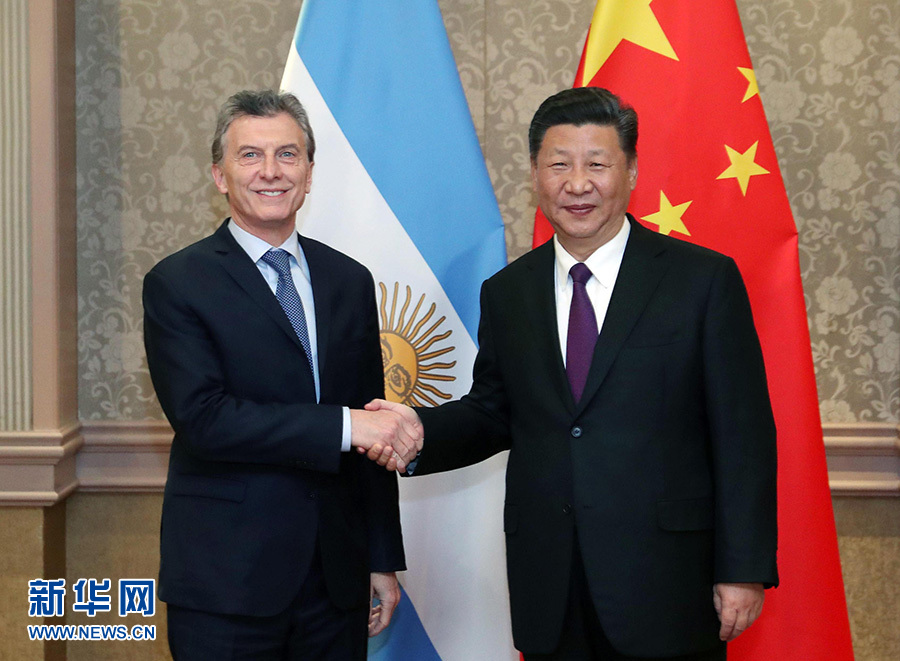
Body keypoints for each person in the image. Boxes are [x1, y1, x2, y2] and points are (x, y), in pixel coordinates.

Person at [367, 87, 778, 660]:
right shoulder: (509, 292)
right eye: (559, 164)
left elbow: (743, 435)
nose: (577, 184)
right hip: (550, 583)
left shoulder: (702, 281)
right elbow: (494, 412)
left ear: (631, 171)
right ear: (536, 174)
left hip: (667, 582)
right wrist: (416, 431)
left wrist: (743, 568)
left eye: (597, 165)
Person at [143, 89, 420, 660]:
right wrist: (344, 426)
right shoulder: (178, 283)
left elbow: (371, 421)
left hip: (336, 580)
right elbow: (205, 421)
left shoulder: (349, 280)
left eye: (287, 154)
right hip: (228, 582)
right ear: (219, 175)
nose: (271, 171)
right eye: (250, 155)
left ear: (310, 173)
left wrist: (380, 558)